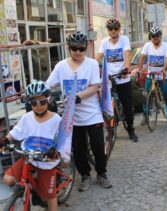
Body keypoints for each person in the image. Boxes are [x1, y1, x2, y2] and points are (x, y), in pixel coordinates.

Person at [46, 31, 112, 192]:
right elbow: (48, 85)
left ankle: (102, 173)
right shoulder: (61, 66)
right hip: (72, 117)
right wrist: (40, 96)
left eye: (81, 49)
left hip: (92, 113)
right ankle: (85, 176)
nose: (78, 52)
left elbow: (94, 86)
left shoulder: (91, 64)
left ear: (85, 49)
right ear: (69, 48)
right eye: (74, 48)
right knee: (78, 148)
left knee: (97, 145)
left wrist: (78, 96)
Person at [1, 80, 61, 211]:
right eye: (34, 103)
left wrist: (57, 152)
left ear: (48, 100)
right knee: (8, 179)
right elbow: (16, 132)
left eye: (42, 102)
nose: (38, 106)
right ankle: (31, 190)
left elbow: (63, 141)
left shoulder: (56, 119)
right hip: (28, 157)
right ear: (29, 103)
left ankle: (43, 193)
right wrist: (6, 139)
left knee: (49, 196)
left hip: (46, 161)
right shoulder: (27, 118)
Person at [96, 18, 138, 142]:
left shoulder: (124, 39)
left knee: (127, 105)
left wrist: (126, 68)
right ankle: (108, 127)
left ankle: (130, 129)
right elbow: (98, 57)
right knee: (103, 105)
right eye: (111, 29)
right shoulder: (104, 42)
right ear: (108, 31)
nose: (113, 31)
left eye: (116, 28)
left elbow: (127, 54)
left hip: (122, 78)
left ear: (119, 30)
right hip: (108, 79)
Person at [138, 26, 167, 127]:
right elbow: (142, 58)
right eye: (153, 36)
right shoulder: (147, 45)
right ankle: (145, 115)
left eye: (157, 36)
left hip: (163, 76)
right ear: (150, 37)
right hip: (151, 76)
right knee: (145, 96)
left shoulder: (165, 46)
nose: (155, 38)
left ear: (160, 36)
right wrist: (140, 69)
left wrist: (164, 69)